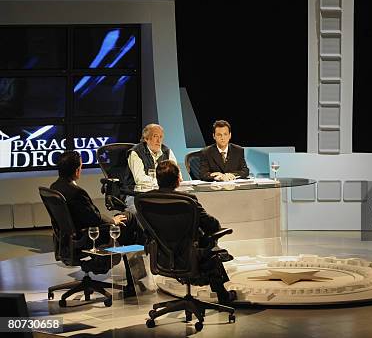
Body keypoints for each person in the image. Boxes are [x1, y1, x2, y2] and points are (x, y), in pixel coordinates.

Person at [142, 159, 236, 303]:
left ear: (158, 179)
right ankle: (223, 295)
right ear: (178, 181)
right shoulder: (187, 200)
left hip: (162, 258)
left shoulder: (145, 200)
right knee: (211, 250)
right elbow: (211, 226)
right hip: (190, 258)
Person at [50, 151, 142, 246]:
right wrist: (113, 221)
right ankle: (142, 252)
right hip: (89, 236)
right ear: (77, 171)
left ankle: (132, 253)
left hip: (70, 238)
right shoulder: (77, 193)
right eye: (81, 167)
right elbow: (95, 219)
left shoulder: (54, 187)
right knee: (130, 218)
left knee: (126, 220)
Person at [124, 123, 180, 211]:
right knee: (141, 213)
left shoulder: (167, 151)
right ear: (146, 139)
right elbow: (140, 179)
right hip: (137, 195)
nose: (159, 141)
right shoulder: (135, 152)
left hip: (161, 194)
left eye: (161, 137)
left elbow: (177, 174)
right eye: (155, 136)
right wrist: (163, 181)